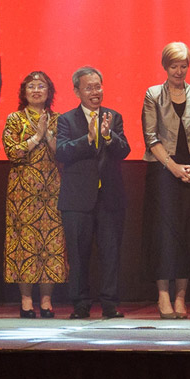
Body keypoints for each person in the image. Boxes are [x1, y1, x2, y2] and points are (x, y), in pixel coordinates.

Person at [55, 67, 130, 319]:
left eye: (98, 86)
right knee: (78, 255)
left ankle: (110, 304)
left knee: (110, 253)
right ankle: (80, 304)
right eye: (89, 87)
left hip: (110, 198)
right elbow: (62, 152)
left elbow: (124, 150)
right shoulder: (66, 120)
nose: (95, 92)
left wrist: (108, 137)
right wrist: (87, 139)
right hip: (77, 198)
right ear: (77, 91)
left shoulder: (113, 116)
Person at [142, 42, 190, 319]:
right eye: (174, 66)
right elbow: (151, 137)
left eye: (183, 66)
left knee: (188, 235)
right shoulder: (153, 94)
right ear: (165, 67)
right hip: (162, 172)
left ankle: (182, 297)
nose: (179, 71)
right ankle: (163, 297)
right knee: (163, 237)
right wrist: (173, 168)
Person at [2, 71, 66, 317]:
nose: (36, 90)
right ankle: (26, 300)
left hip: (52, 188)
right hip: (22, 191)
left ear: (49, 92)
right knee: (24, 245)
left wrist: (47, 134)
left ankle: (47, 301)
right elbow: (12, 152)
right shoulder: (15, 119)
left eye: (41, 86)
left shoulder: (59, 119)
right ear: (24, 92)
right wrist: (36, 136)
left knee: (50, 243)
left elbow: (63, 153)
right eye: (31, 86)